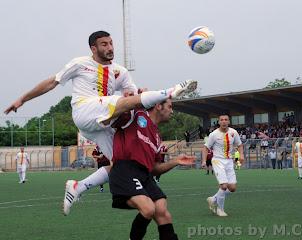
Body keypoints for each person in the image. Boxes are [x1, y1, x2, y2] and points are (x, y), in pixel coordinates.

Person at [3, 30, 197, 215]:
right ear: (93, 49)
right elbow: (51, 82)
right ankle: (170, 91)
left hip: (99, 125)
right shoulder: (80, 64)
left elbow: (132, 95)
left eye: (111, 43)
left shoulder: (120, 71)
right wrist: (23, 99)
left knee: (121, 163)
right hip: (84, 111)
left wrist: (136, 95)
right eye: (104, 44)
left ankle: (78, 187)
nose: (110, 47)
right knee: (118, 103)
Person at [109, 98, 195, 240]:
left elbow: (154, 169)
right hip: (125, 170)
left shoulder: (156, 136)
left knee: (162, 210)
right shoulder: (137, 115)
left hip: (144, 174)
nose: (172, 111)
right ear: (158, 106)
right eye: (170, 106)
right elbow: (114, 113)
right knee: (148, 209)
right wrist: (132, 97)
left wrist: (175, 161)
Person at [201, 114, 244, 217]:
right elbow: (205, 148)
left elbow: (240, 145)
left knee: (232, 187)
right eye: (222, 120)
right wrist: (203, 161)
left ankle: (214, 199)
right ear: (219, 122)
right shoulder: (213, 134)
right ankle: (220, 209)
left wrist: (241, 155)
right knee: (224, 186)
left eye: (226, 120)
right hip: (217, 160)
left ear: (229, 121)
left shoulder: (233, 132)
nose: (224, 121)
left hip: (229, 161)